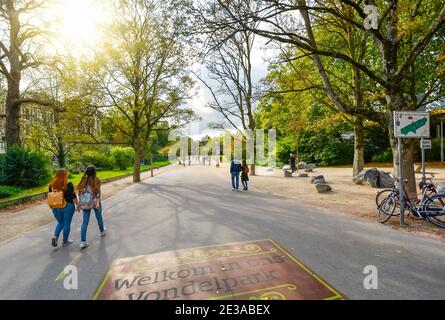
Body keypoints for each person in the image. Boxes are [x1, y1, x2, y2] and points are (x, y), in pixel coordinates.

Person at [77, 165, 106, 249]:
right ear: (94, 172)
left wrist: (80, 203)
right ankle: (102, 231)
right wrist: (97, 202)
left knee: (85, 221)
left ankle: (83, 241)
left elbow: (79, 193)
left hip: (85, 203)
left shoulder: (83, 181)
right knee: (99, 216)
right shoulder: (97, 180)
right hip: (95, 202)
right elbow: (98, 193)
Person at [49, 168, 78, 248]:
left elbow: (51, 195)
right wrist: (77, 204)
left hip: (56, 207)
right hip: (67, 206)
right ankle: (65, 241)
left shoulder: (52, 184)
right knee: (66, 224)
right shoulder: (68, 184)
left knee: (60, 223)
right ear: (65, 175)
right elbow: (73, 196)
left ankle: (55, 236)